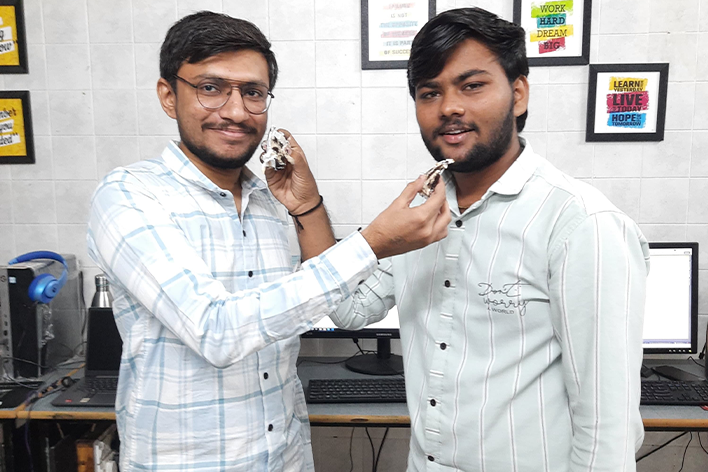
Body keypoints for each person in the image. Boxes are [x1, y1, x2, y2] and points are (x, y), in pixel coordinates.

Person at [86, 11, 450, 472]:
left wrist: (308, 205)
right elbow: (216, 331)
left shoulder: (272, 202)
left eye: (252, 93)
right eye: (211, 87)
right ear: (168, 95)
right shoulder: (128, 195)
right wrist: (373, 242)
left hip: (286, 458)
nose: (236, 111)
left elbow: (343, 307)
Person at [332, 7, 650, 472]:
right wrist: (307, 207)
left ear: (518, 93)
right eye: (429, 93)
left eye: (472, 85)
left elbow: (607, 431)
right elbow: (350, 310)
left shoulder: (581, 223)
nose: (449, 107)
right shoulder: (418, 213)